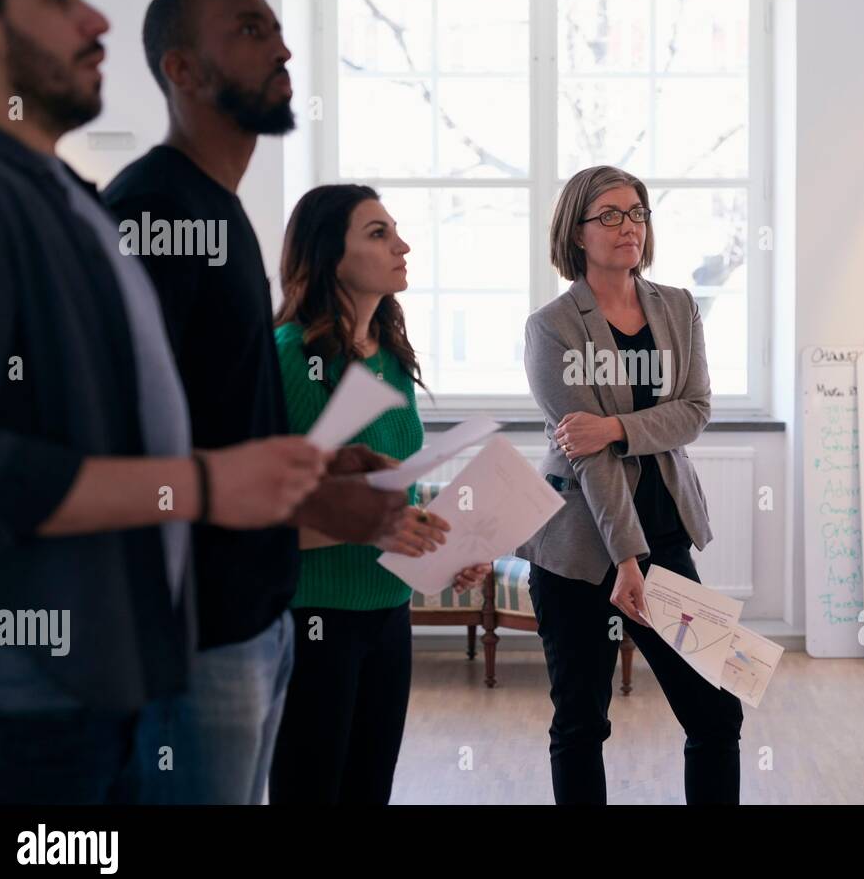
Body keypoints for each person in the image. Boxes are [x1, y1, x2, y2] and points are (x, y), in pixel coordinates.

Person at [0, 0, 326, 804]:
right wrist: (200, 486)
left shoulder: (64, 194)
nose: (95, 20)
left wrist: (290, 480)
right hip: (30, 693)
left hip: (109, 670)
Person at [103, 0, 413, 804]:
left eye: (279, 29)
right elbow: (122, 441)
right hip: (193, 628)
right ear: (183, 69)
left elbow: (211, 420)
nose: (280, 48)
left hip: (251, 614)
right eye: (249, 31)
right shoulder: (156, 210)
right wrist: (313, 506)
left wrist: (321, 474)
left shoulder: (220, 214)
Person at [517, 165, 744, 805]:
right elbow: (584, 457)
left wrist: (614, 424)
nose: (629, 226)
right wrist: (625, 560)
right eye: (610, 215)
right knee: (582, 725)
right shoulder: (553, 325)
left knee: (716, 711)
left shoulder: (677, 307)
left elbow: (694, 410)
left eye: (637, 212)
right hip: (578, 555)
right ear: (577, 231)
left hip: (664, 543)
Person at [268, 185, 489, 803]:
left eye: (396, 231)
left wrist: (446, 550)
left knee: (369, 792)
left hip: (388, 613)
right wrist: (375, 524)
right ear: (328, 254)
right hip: (314, 617)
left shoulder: (390, 359)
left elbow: (395, 489)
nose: (402, 246)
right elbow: (267, 514)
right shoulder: (292, 357)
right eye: (377, 233)